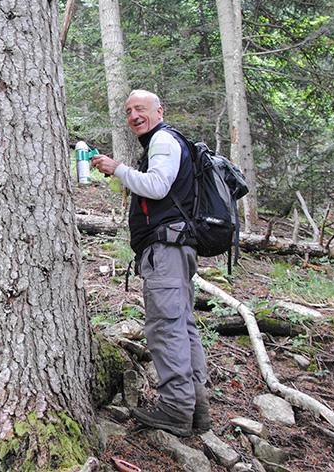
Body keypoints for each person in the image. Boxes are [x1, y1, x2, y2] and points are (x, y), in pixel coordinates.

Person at [91, 89, 211, 437]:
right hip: (174, 249)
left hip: (166, 250)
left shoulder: (163, 141)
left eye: (140, 109)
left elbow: (157, 187)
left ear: (159, 110)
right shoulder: (165, 141)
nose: (133, 116)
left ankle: (175, 409)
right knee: (183, 325)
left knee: (165, 328)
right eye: (128, 111)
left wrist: (118, 169)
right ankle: (196, 408)